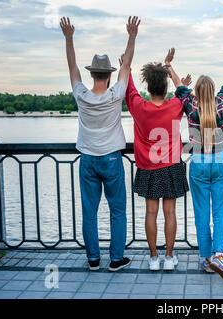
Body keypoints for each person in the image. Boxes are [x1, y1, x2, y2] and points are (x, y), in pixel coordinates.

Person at [60, 16, 140, 272]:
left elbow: (71, 67)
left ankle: (93, 259)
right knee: (118, 211)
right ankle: (116, 259)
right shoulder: (116, 94)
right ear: (108, 75)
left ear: (92, 74)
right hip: (112, 159)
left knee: (89, 211)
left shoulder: (81, 95)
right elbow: (126, 65)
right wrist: (131, 36)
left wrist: (69, 38)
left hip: (87, 159)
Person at [165, 48, 223, 281]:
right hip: (219, 163)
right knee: (219, 213)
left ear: (196, 90)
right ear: (214, 91)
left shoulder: (190, 103)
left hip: (197, 163)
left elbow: (177, 84)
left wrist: (168, 65)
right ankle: (219, 256)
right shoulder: (222, 103)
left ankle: (206, 260)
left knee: (201, 213)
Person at [122, 49, 189, 272]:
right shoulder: (176, 104)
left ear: (148, 87)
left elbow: (128, 89)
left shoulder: (139, 106)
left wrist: (126, 67)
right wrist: (170, 68)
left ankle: (153, 258)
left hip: (148, 168)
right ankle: (169, 258)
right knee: (170, 213)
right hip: (171, 166)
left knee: (151, 213)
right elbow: (183, 92)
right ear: (166, 86)